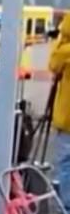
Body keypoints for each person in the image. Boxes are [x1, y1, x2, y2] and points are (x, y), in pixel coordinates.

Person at [49, 13, 70, 203]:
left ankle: (68, 209)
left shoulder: (64, 52)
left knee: (66, 164)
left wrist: (62, 38)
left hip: (67, 118)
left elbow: (53, 64)